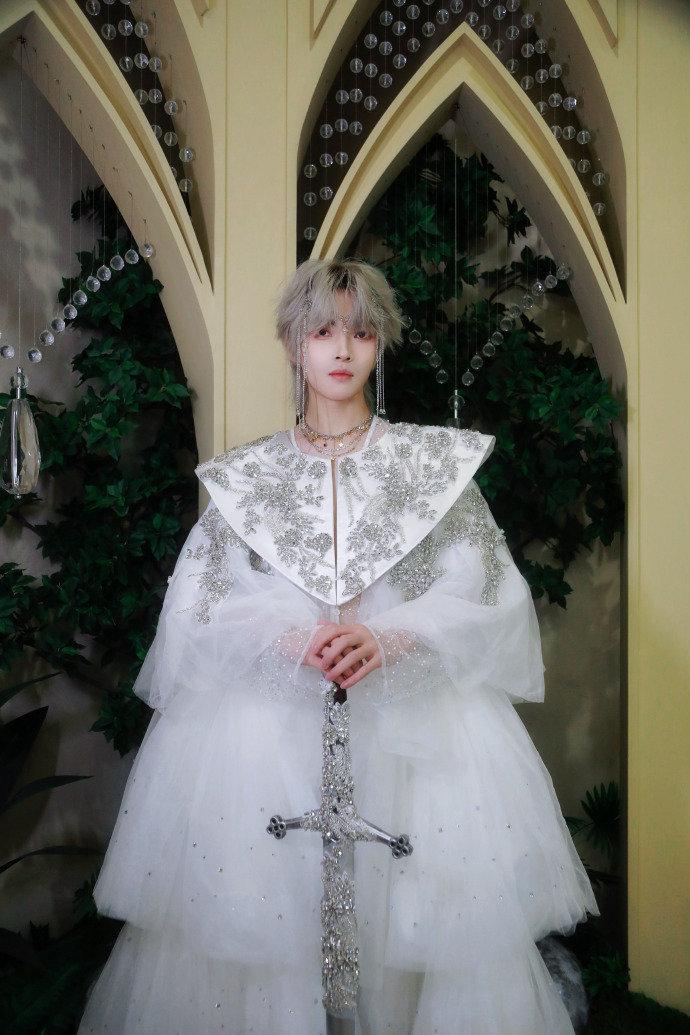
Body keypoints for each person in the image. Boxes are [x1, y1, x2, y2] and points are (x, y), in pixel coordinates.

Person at [79, 259, 597, 1034]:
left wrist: (396, 634)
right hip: (265, 737)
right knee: (261, 926)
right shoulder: (250, 477)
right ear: (294, 343)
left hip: (412, 731)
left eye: (360, 331)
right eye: (323, 330)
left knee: (420, 915)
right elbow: (194, 609)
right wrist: (287, 637)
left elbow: (492, 590)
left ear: (381, 342)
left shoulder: (429, 467)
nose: (343, 349)